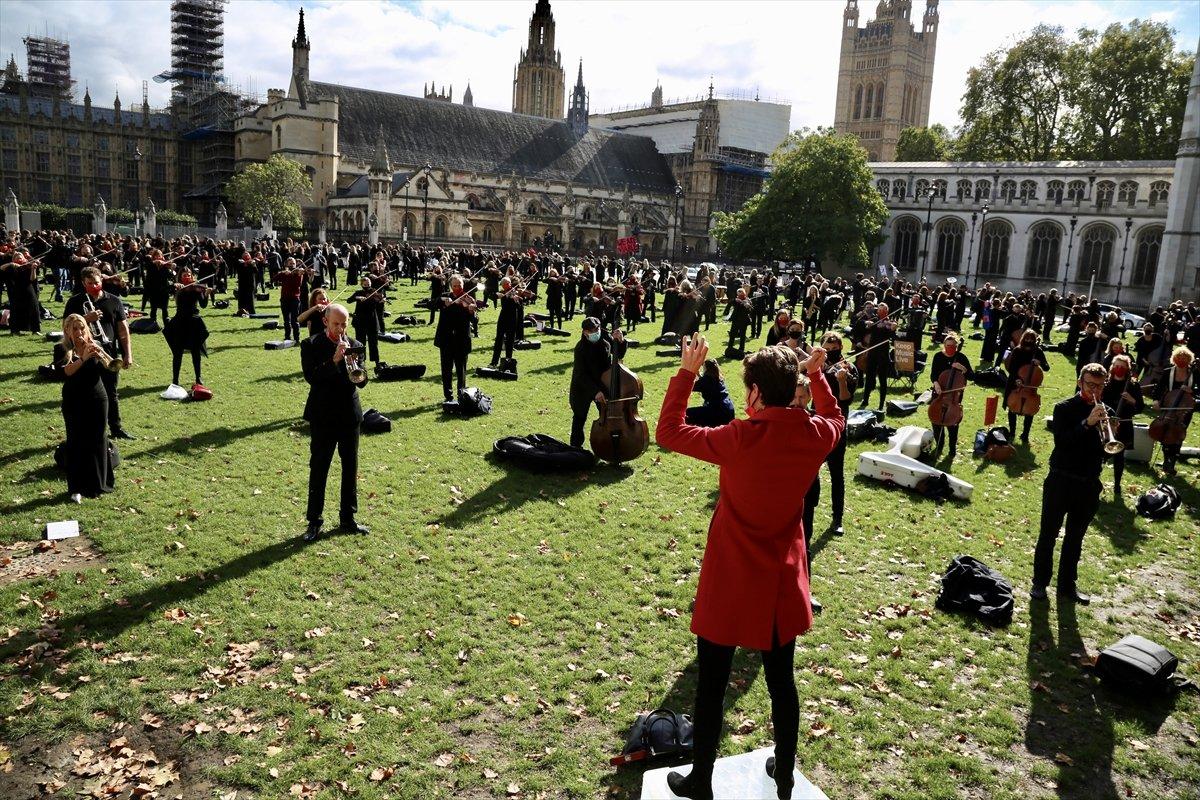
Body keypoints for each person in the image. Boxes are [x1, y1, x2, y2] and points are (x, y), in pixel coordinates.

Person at [655, 337, 844, 800]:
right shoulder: (813, 435)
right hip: (780, 582)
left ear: (756, 392)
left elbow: (668, 432)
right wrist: (816, 374)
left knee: (712, 685)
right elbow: (836, 419)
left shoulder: (739, 436)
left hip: (732, 580)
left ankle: (701, 780)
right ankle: (784, 773)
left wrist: (686, 373)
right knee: (782, 683)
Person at [1031, 363, 1110, 605]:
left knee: (1075, 538)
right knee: (1049, 534)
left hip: (1088, 484)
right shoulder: (1064, 408)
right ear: (1079, 382)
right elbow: (1063, 442)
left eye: (1100, 386)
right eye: (1090, 384)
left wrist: (1110, 435)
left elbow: (1106, 453)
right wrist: (1087, 424)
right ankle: (1040, 583)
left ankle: (1067, 586)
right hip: (1061, 479)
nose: (1095, 390)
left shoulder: (1106, 411)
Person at [300, 303, 369, 542]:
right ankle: (314, 521)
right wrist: (335, 360)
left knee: (350, 467)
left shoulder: (356, 344)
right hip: (323, 414)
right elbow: (312, 377)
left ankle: (348, 518)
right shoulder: (310, 344)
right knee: (319, 467)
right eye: (336, 324)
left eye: (344, 324)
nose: (340, 329)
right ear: (325, 322)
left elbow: (361, 381)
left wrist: (354, 364)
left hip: (349, 414)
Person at [65, 266, 135, 440]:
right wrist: (86, 319)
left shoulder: (114, 300)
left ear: (101, 280)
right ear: (83, 283)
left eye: (96, 282)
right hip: (84, 354)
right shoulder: (75, 302)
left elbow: (123, 330)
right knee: (87, 393)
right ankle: (90, 430)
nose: (94, 286)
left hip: (108, 352)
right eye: (89, 284)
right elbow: (66, 328)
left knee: (111, 392)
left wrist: (128, 353)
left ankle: (116, 428)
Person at [58, 314, 116, 502]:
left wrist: (101, 355)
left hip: (97, 398)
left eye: (82, 327)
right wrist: (82, 358)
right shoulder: (62, 349)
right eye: (74, 329)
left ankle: (99, 483)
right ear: (67, 331)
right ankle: (76, 487)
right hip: (74, 400)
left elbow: (111, 368)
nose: (79, 332)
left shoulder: (94, 345)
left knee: (98, 438)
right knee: (75, 440)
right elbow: (66, 371)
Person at [568, 317, 626, 448]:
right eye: (592, 331)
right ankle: (575, 448)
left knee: (606, 415)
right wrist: (595, 391)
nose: (596, 332)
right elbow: (581, 375)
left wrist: (621, 341)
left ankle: (607, 444)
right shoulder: (580, 348)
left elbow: (619, 354)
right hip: (583, 387)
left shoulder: (605, 342)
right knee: (579, 418)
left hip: (602, 385)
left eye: (597, 329)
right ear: (585, 332)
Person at [1100, 354, 1143, 498]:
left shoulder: (1133, 385)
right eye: (1117, 366)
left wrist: (1132, 400)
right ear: (1112, 367)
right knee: (1101, 455)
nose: (1119, 369)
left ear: (1127, 369)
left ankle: (1117, 485)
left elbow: (1140, 407)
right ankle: (1094, 479)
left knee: (1119, 456)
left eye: (1122, 367)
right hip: (1105, 424)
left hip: (1124, 424)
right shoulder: (1105, 383)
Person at [162, 266, 211, 390]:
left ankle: (198, 377)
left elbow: (203, 305)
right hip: (180, 321)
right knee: (177, 352)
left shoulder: (197, 288)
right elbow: (166, 289)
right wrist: (174, 286)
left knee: (196, 351)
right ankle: (175, 380)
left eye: (189, 275)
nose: (187, 277)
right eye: (184, 275)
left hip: (194, 322)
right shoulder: (178, 288)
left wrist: (206, 294)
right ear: (180, 277)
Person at [1152, 346, 1197, 475]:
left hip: (1184, 410)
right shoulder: (1168, 372)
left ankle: (1172, 462)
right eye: (1179, 358)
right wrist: (1156, 401)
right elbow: (1159, 388)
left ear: (1189, 360)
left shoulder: (1195, 373)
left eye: (1184, 358)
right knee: (1165, 433)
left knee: (1178, 435)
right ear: (1174, 359)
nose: (1181, 360)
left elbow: (1198, 391)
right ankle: (1166, 460)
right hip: (1169, 406)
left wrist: (1191, 391)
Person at [928, 332, 973, 460]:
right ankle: (939, 445)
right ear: (944, 345)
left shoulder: (961, 358)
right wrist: (936, 384)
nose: (950, 348)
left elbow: (972, 376)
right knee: (936, 420)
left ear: (956, 346)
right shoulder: (938, 356)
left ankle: (952, 449)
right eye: (948, 345)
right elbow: (933, 375)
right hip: (939, 394)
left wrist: (963, 369)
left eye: (953, 346)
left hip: (954, 398)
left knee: (953, 423)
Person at [434, 274, 476, 402]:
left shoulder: (469, 299)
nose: (457, 288)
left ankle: (461, 395)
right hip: (446, 339)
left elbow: (474, 320)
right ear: (451, 286)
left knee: (461, 370)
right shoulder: (445, 296)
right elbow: (433, 303)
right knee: (446, 369)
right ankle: (448, 396)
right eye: (455, 286)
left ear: (463, 285)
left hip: (461, 339)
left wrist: (471, 311)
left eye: (460, 285)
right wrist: (444, 302)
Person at [1004, 330, 1050, 444]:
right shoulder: (1017, 350)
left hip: (1031, 388)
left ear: (1034, 340)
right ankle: (1012, 432)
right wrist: (1017, 379)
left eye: (1031, 339)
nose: (1029, 341)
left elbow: (1046, 367)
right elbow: (1011, 368)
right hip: (1016, 383)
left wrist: (1040, 363)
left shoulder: (1038, 351)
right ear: (1023, 339)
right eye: (1027, 339)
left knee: (1030, 411)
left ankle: (1025, 434)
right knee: (1012, 408)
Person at [685, 359, 735, 427]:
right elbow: (705, 384)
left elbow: (689, 386)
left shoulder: (706, 380)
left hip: (717, 412)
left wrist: (692, 373)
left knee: (687, 414)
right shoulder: (718, 378)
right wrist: (699, 375)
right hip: (728, 410)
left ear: (706, 368)